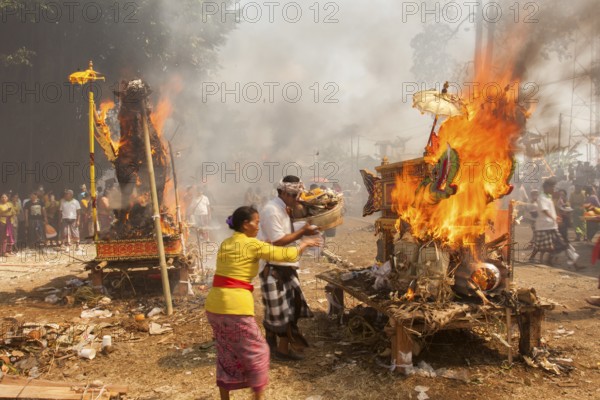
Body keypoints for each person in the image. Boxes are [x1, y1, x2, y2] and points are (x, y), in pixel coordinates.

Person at [205, 206, 320, 400]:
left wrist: (262, 246)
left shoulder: (227, 243)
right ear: (245, 224)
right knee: (259, 352)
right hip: (235, 307)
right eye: (256, 222)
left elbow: (243, 258)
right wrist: (305, 243)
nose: (258, 226)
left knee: (226, 352)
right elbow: (287, 255)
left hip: (214, 306)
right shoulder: (253, 245)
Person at [258, 176, 320, 361]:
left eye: (297, 194)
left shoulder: (283, 208)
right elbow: (277, 240)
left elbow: (287, 232)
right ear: (283, 192)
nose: (295, 198)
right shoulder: (271, 210)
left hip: (285, 264)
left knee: (287, 308)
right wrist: (303, 234)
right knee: (282, 312)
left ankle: (273, 342)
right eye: (292, 195)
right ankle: (282, 350)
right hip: (274, 268)